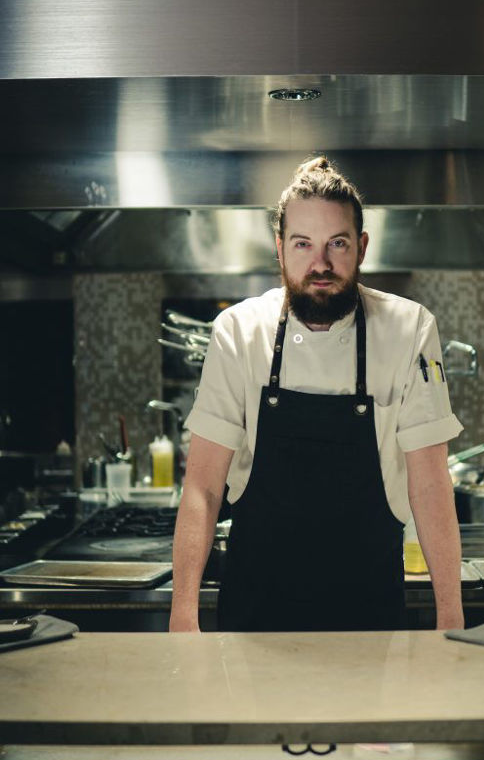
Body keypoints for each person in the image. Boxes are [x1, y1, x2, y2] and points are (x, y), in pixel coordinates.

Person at [169, 157, 465, 633]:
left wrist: (450, 617)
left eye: (337, 244)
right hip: (255, 614)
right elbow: (203, 487)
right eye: (303, 244)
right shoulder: (238, 332)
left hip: (370, 614)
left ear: (362, 247)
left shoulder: (410, 328)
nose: (320, 264)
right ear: (280, 250)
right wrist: (182, 615)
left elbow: (430, 484)